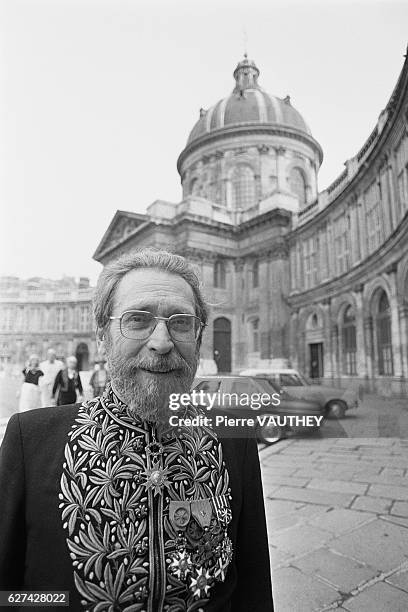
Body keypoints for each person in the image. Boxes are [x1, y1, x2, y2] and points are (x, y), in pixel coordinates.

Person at [0, 248, 273, 611]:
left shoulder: (233, 440)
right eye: (138, 320)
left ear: (199, 338)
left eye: (180, 322)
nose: (161, 342)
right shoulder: (29, 441)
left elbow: (253, 590)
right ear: (102, 336)